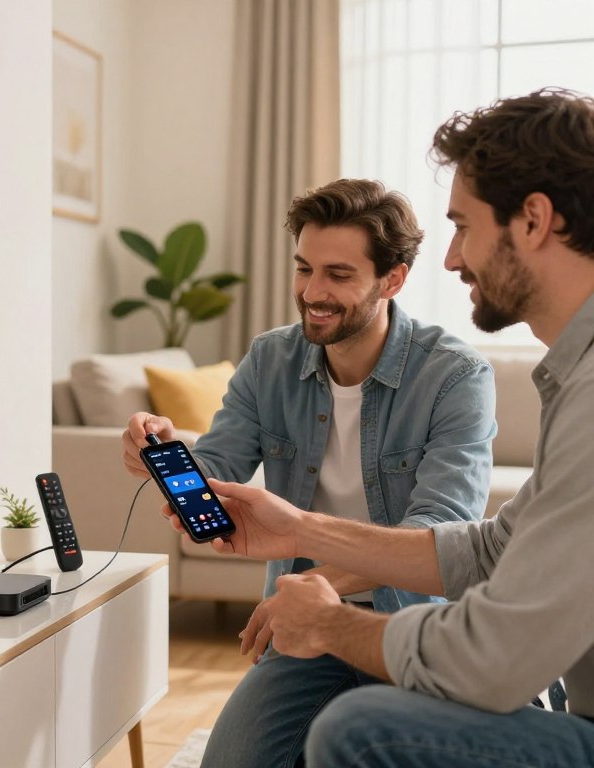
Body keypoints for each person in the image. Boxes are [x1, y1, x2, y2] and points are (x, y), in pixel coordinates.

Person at [180, 88, 594, 767]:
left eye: (463, 226)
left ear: (534, 220)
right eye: (306, 269)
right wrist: (298, 530)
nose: (454, 258)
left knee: (363, 729)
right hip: (333, 617)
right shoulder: (573, 377)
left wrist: (330, 619)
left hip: (415, 622)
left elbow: (493, 655)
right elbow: (491, 549)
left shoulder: (473, 375)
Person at [122, 178, 497, 767]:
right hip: (303, 627)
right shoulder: (271, 358)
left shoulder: (454, 376)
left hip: (417, 627)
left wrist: (321, 583)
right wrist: (170, 454)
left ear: (392, 279)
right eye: (304, 269)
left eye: (338, 275)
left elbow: (441, 532)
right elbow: (220, 466)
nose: (312, 292)